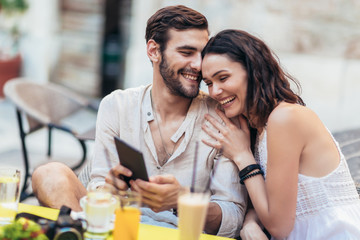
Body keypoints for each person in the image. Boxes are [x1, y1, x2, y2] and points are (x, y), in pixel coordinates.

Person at [32, 6, 248, 238]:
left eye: (202, 54)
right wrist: (110, 188)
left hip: (181, 234)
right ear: (154, 51)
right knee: (48, 174)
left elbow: (233, 217)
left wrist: (182, 200)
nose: (198, 65)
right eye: (187, 52)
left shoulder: (222, 116)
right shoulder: (116, 105)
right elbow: (97, 189)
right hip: (119, 227)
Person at [200, 29, 360, 239]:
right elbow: (272, 199)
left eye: (223, 78)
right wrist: (249, 222)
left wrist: (242, 156)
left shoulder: (285, 118)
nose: (214, 92)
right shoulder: (261, 126)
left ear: (253, 70)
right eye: (209, 83)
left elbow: (278, 226)